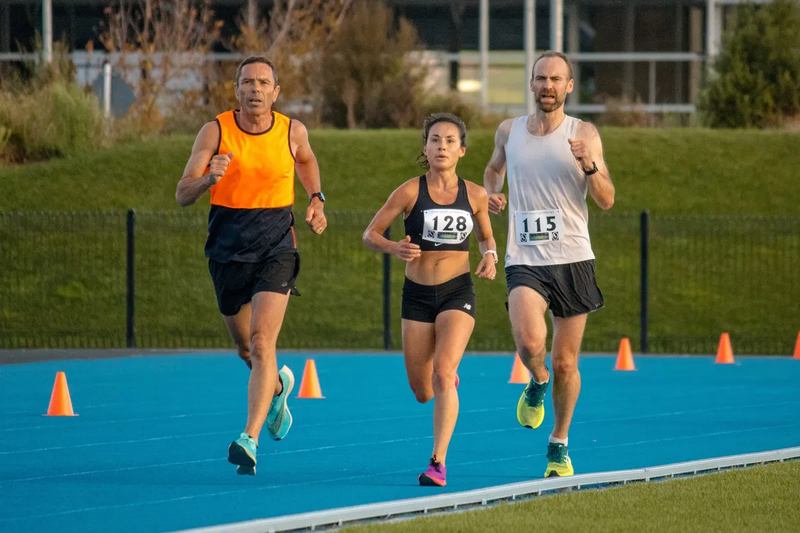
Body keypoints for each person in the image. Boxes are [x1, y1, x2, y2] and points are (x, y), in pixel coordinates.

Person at [175, 56, 327, 476]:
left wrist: (317, 199)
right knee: (246, 349)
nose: (256, 89)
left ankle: (250, 438)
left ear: (276, 92)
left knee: (263, 343)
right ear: (236, 90)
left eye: (264, 82)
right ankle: (277, 386)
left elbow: (307, 160)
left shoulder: (292, 130)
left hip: (277, 246)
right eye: (247, 82)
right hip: (227, 250)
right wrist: (209, 177)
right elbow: (182, 193)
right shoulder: (216, 130)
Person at [483, 51, 615, 478]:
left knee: (566, 363)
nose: (547, 86)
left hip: (573, 258)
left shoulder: (584, 133)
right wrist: (492, 192)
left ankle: (558, 443)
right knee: (527, 341)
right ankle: (536, 380)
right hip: (525, 257)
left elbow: (607, 199)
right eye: (541, 78)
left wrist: (589, 165)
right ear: (532, 83)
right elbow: (492, 169)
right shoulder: (510, 131)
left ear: (569, 86)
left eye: (556, 79)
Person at [363, 113, 497, 487]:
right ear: (425, 147)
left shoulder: (475, 194)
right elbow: (370, 234)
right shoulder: (409, 191)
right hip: (418, 296)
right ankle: (445, 385)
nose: (442, 146)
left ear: (462, 150)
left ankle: (437, 462)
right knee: (423, 391)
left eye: (450, 141)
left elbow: (486, 237)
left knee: (442, 372)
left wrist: (490, 256)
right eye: (435, 140)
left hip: (458, 290)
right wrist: (394, 247)